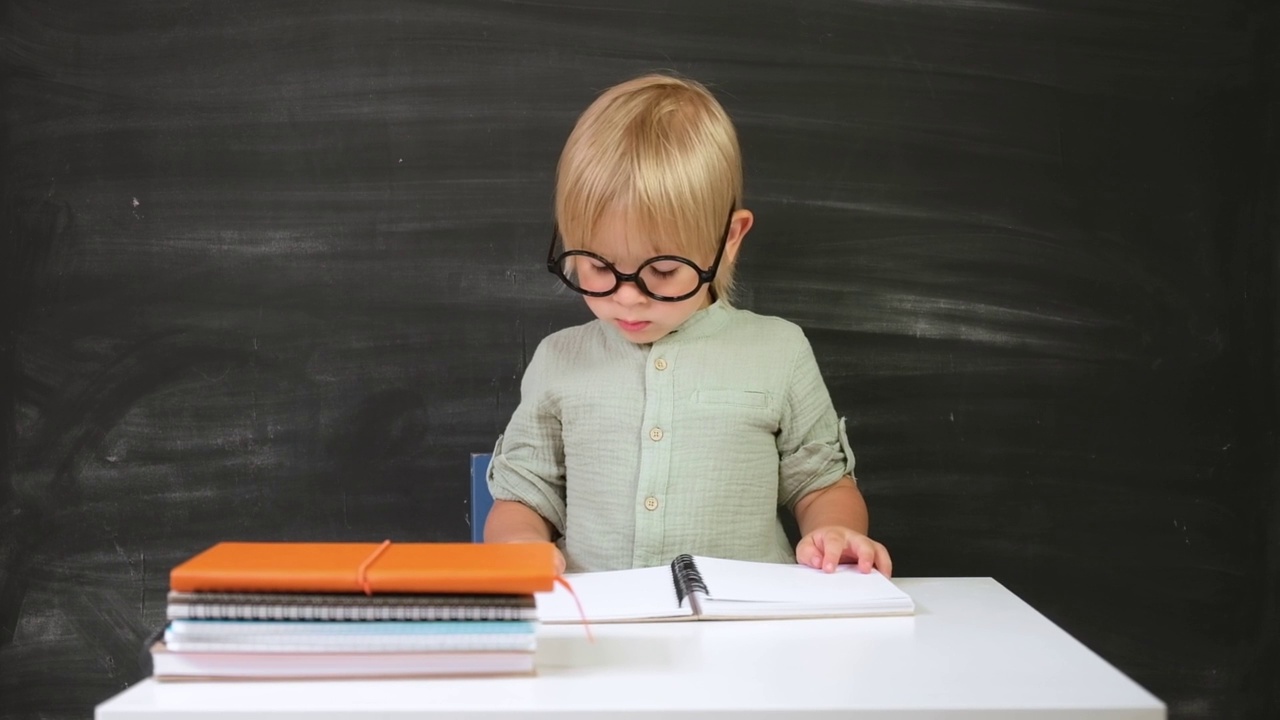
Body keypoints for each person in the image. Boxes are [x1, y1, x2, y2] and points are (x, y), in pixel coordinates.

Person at [484, 73, 892, 578]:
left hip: (750, 632)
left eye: (662, 271)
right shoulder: (558, 359)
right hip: (601, 626)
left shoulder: (779, 350)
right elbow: (523, 493)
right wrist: (520, 543)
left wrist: (835, 533)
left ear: (730, 239)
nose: (627, 296)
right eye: (597, 266)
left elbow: (824, 483)